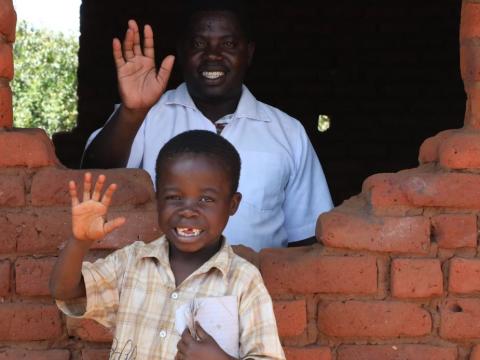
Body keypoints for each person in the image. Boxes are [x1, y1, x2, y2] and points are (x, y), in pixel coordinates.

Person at [81, 0, 333, 251]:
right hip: (161, 288)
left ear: (249, 52)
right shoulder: (144, 117)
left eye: (229, 44)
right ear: (182, 51)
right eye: (199, 44)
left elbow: (307, 236)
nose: (213, 55)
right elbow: (92, 176)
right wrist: (131, 112)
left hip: (256, 288)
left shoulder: (288, 132)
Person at [51, 130, 286, 360]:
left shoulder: (243, 281)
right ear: (157, 198)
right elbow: (66, 291)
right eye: (174, 197)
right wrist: (79, 243)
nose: (188, 210)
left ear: (232, 204)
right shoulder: (131, 262)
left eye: (206, 199)